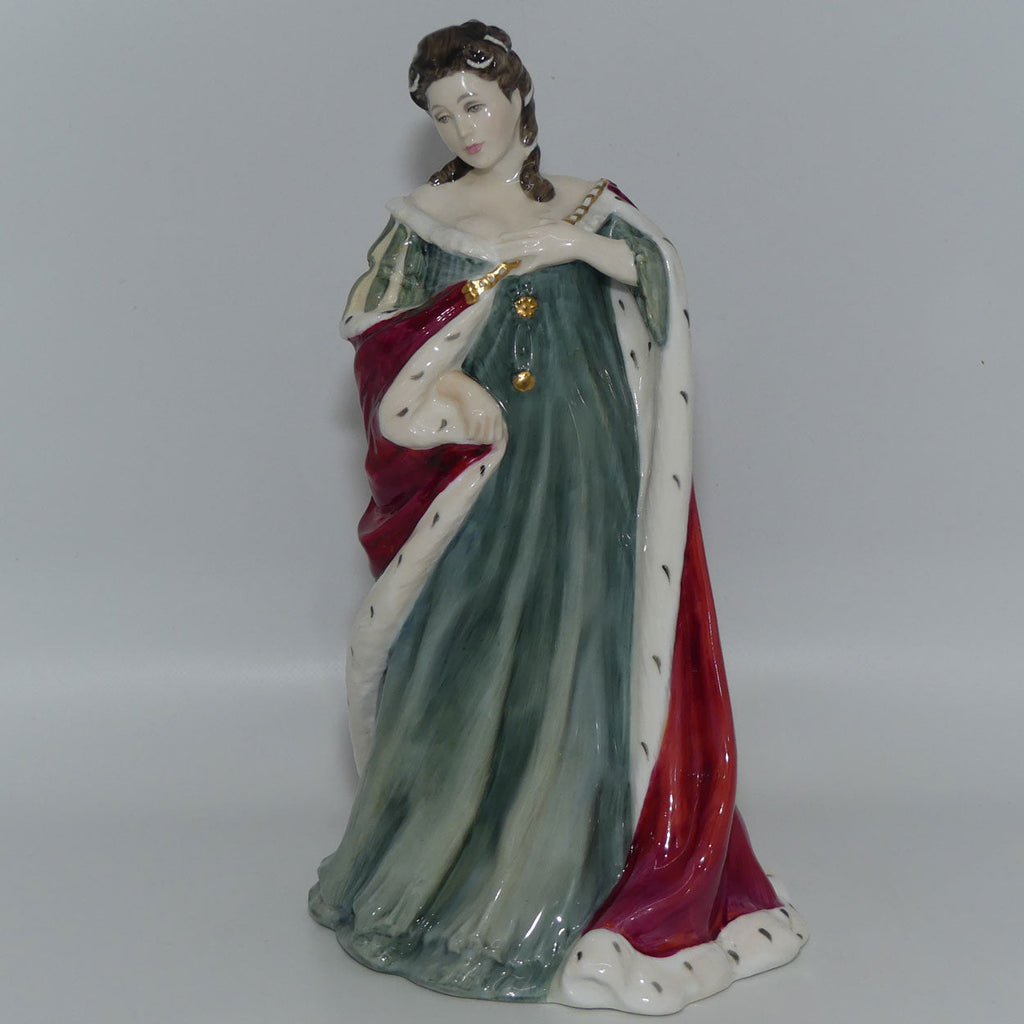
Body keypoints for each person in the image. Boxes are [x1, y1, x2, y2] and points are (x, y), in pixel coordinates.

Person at [309, 21, 806, 1013]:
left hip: (586, 459)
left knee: (580, 635)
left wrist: (579, 245)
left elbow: (658, 284)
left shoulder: (589, 204)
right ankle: (451, 854)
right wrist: (446, 394)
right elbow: (377, 331)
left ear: (518, 98)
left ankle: (568, 853)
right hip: (483, 469)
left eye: (476, 102)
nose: (464, 125)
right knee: (468, 637)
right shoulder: (425, 221)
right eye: (443, 113)